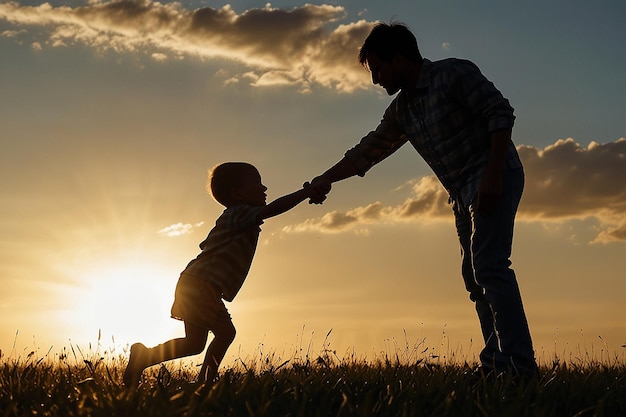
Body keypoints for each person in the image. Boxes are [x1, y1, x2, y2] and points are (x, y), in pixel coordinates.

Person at [308, 22, 537, 377]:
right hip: (460, 193)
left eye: (379, 69)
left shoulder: (452, 74)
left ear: (399, 59)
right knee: (475, 279)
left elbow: (500, 113)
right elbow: (369, 149)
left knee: (490, 266)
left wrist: (492, 177)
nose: (376, 80)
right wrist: (326, 179)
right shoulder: (403, 110)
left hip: (494, 175)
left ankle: (520, 366)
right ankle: (496, 365)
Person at [124, 162, 314, 387]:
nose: (264, 188)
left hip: (202, 284)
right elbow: (273, 209)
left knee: (214, 337)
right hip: (201, 284)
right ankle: (191, 377)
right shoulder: (239, 213)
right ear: (237, 193)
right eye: (257, 183)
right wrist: (305, 192)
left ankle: (191, 376)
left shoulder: (239, 216)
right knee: (204, 340)